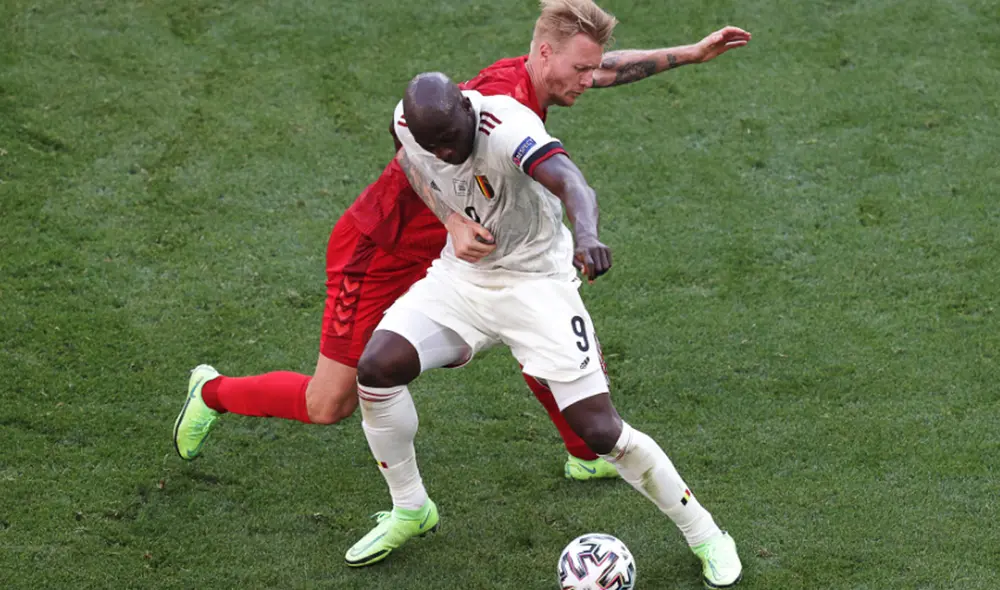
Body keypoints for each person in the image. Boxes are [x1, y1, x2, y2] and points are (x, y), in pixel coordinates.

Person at [172, 0, 751, 480]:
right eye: (580, 69)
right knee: (331, 404)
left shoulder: (538, 78)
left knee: (539, 333)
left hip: (459, 256)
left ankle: (584, 451)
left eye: (587, 69)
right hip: (381, 247)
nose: (589, 79)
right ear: (545, 54)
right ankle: (214, 392)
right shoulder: (501, 97)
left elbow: (600, 66)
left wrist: (690, 54)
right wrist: (448, 216)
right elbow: (409, 139)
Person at [343, 72, 742, 589]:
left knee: (600, 431)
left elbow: (572, 181)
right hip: (463, 281)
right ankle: (410, 508)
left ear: (467, 109)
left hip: (537, 286)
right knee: (377, 369)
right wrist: (451, 220)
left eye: (450, 140)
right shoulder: (410, 129)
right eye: (432, 144)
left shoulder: (506, 126)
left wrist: (588, 235)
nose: (443, 153)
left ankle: (707, 535)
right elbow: (410, 162)